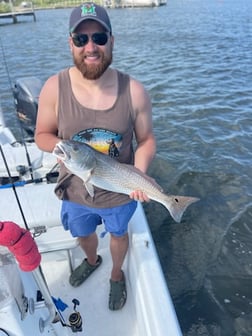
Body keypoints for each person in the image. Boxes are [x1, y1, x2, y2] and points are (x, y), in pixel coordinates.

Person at [35, 2, 156, 311]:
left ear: (111, 41)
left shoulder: (135, 91)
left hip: (120, 190)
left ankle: (116, 274)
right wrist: (61, 149)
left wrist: (140, 175)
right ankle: (91, 259)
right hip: (75, 189)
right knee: (83, 233)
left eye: (99, 37)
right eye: (81, 39)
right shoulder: (53, 88)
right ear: (71, 44)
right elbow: (42, 135)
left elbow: (146, 140)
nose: (91, 46)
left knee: (118, 233)